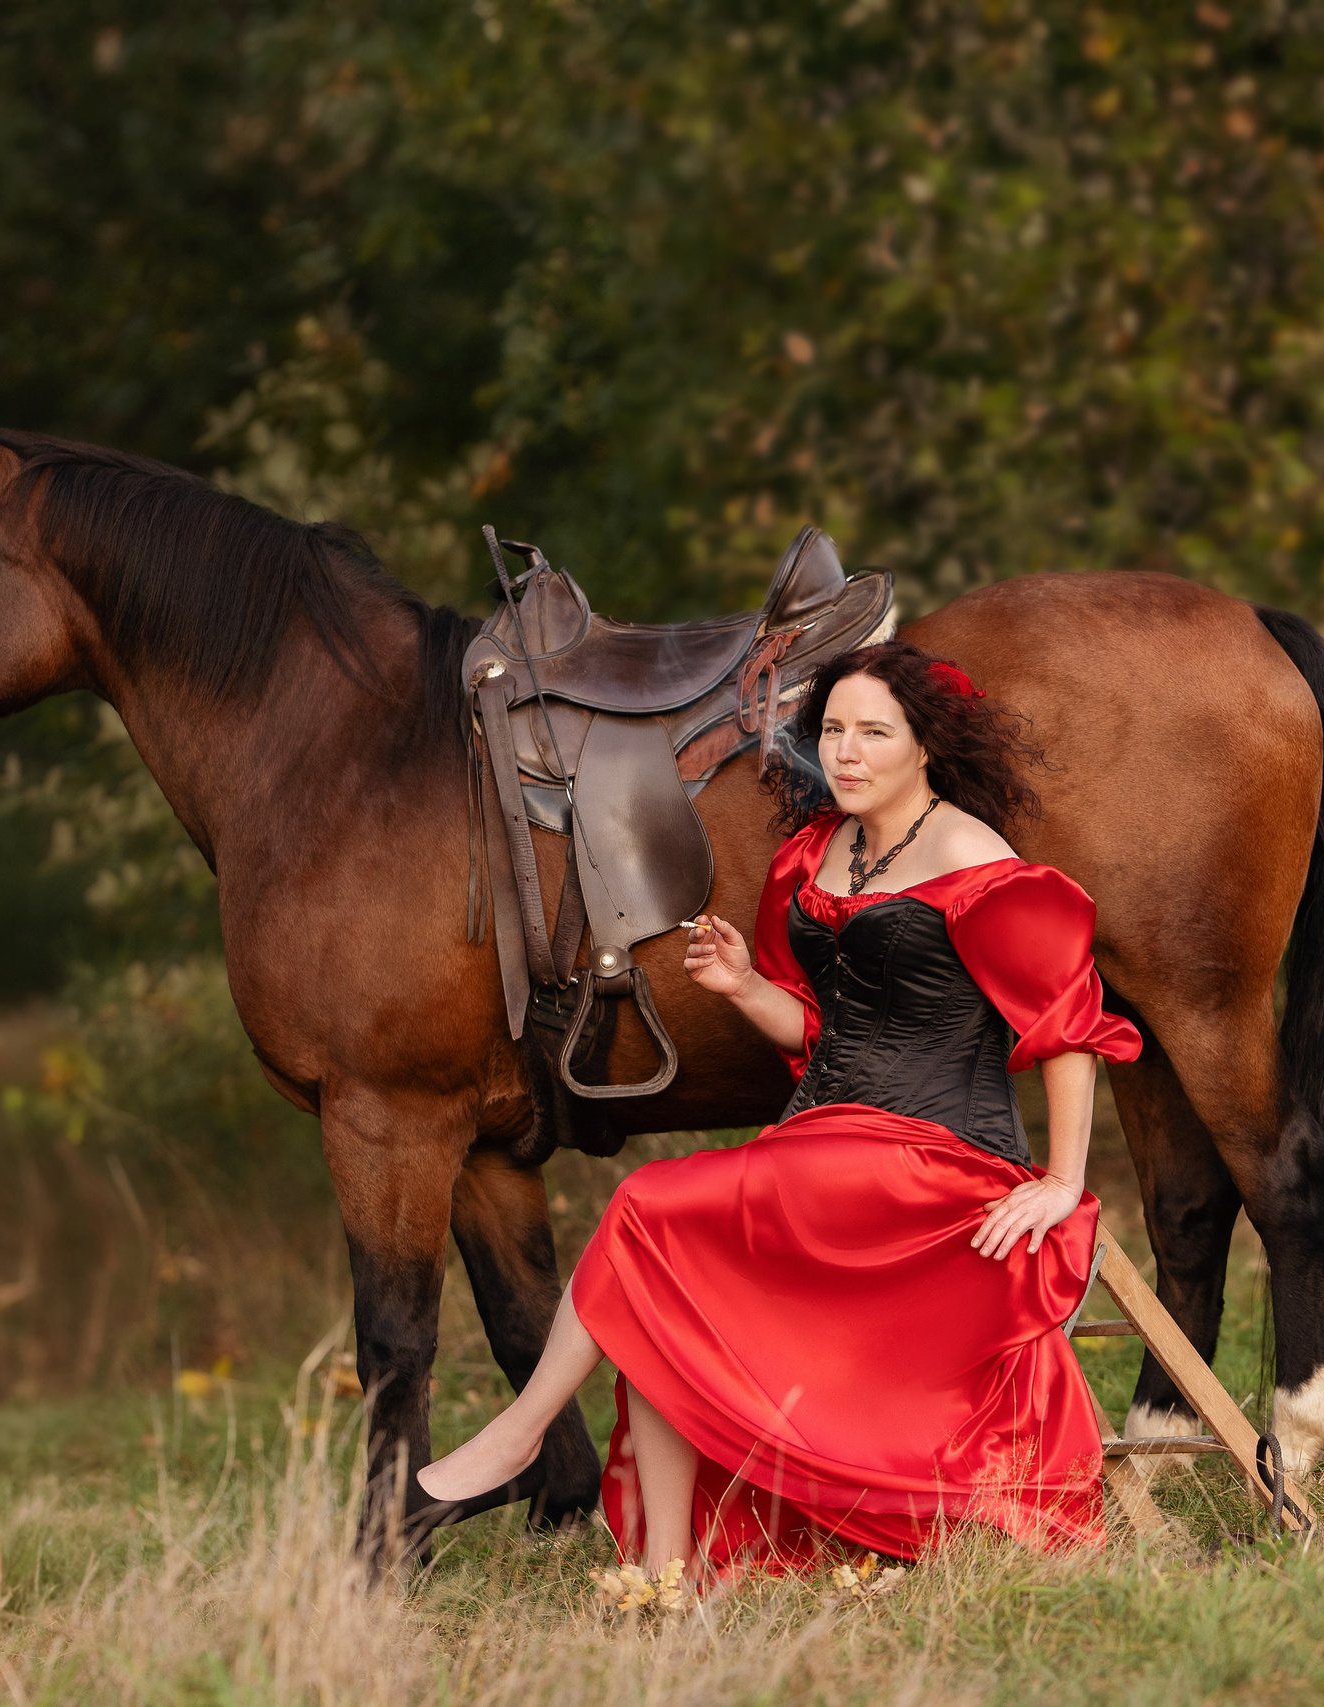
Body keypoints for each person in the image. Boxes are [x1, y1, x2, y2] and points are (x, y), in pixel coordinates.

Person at [417, 638, 1142, 1579]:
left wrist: (1061, 1179)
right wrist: (740, 985)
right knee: (670, 1261)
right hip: (827, 1134)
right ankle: (667, 1577)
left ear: (925, 747)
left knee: (649, 1209)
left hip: (939, 1156)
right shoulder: (821, 849)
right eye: (834, 728)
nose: (846, 751)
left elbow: (1068, 1024)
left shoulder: (973, 852)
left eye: (874, 732)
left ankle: (521, 1432)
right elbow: (817, 1027)